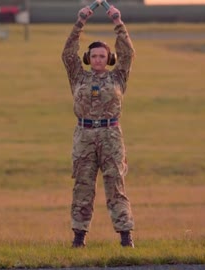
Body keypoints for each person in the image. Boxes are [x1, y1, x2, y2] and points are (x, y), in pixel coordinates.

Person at [61, 4, 136, 248]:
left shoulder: (117, 77)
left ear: (109, 58)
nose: (97, 59)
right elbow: (67, 54)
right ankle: (79, 237)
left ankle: (126, 236)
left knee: (115, 184)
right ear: (88, 58)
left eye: (102, 56)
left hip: (111, 135)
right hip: (84, 135)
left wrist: (118, 22)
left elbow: (128, 54)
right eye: (93, 56)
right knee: (83, 185)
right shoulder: (78, 76)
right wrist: (80, 21)